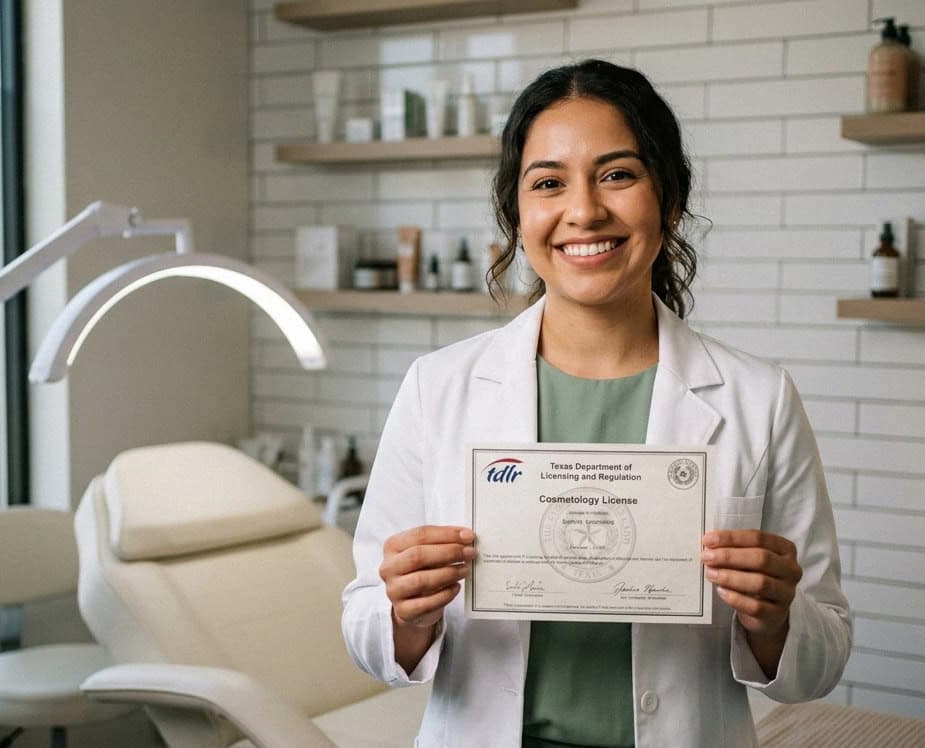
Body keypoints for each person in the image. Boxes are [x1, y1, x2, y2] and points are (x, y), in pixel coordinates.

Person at [340, 59, 850, 748]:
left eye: (617, 174)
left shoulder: (759, 399)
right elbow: (368, 633)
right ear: (517, 215)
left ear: (668, 199)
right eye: (548, 183)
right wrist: (405, 613)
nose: (584, 210)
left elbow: (820, 663)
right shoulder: (439, 388)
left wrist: (775, 619)